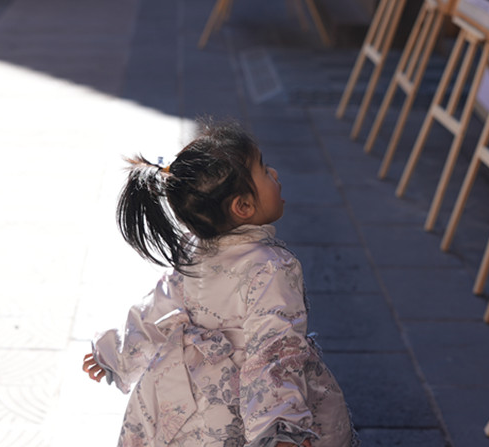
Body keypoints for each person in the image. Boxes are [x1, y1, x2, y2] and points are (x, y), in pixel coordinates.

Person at [81, 120, 358, 447]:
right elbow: (274, 350)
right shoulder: (271, 267)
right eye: (264, 170)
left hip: (186, 396)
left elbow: (158, 308)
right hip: (242, 404)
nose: (275, 174)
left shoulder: (192, 248)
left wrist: (118, 352)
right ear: (243, 206)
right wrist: (280, 427)